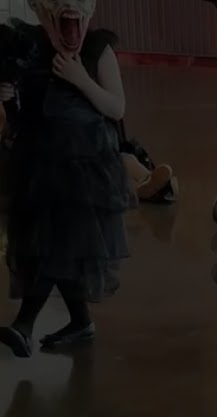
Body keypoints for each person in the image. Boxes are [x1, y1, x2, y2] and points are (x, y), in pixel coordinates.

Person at [0, 14, 132, 357]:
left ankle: (23, 326)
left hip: (84, 170)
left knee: (57, 244)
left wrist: (81, 79)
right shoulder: (32, 47)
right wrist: (8, 100)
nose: (70, 32)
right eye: (62, 22)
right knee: (55, 245)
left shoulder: (97, 48)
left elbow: (116, 108)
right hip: (40, 166)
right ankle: (81, 322)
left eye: (76, 21)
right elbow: (22, 121)